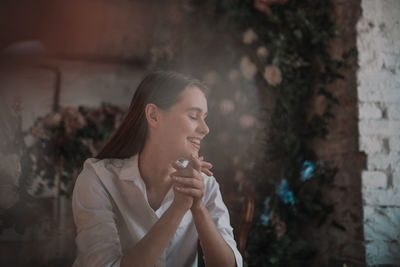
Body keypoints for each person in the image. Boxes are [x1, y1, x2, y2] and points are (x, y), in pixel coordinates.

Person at [72, 71, 243, 267]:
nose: (205, 129)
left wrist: (197, 207)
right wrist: (178, 208)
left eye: (204, 117)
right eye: (194, 116)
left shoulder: (205, 184)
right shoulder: (98, 179)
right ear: (153, 116)